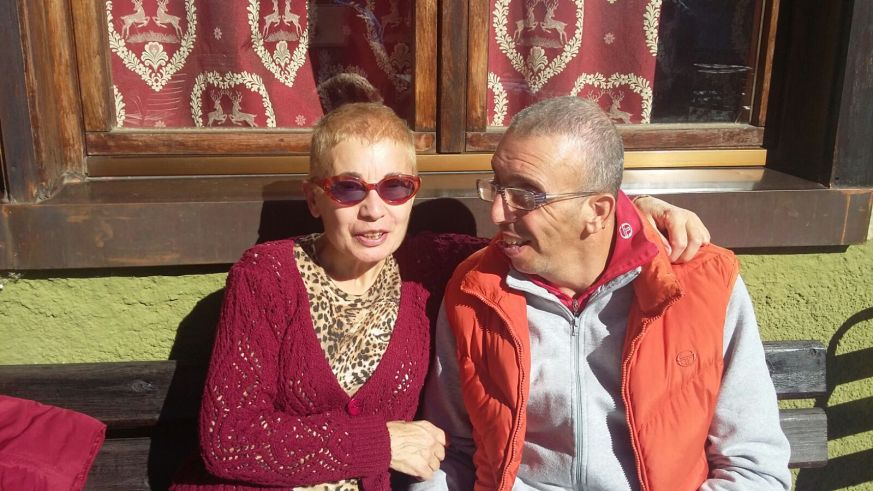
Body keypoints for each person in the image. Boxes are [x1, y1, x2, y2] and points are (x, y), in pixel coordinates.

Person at [171, 102, 712, 490]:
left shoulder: (429, 266)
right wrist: (381, 443)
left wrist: (637, 213)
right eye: (349, 188)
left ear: (413, 195)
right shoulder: (267, 276)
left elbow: (553, 235)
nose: (374, 209)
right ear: (314, 197)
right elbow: (229, 440)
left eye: (395, 187)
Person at [411, 97, 791, 491]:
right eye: (498, 186)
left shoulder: (702, 286)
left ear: (597, 211)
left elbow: (755, 471)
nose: (497, 213)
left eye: (526, 195)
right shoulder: (476, 291)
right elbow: (450, 452)